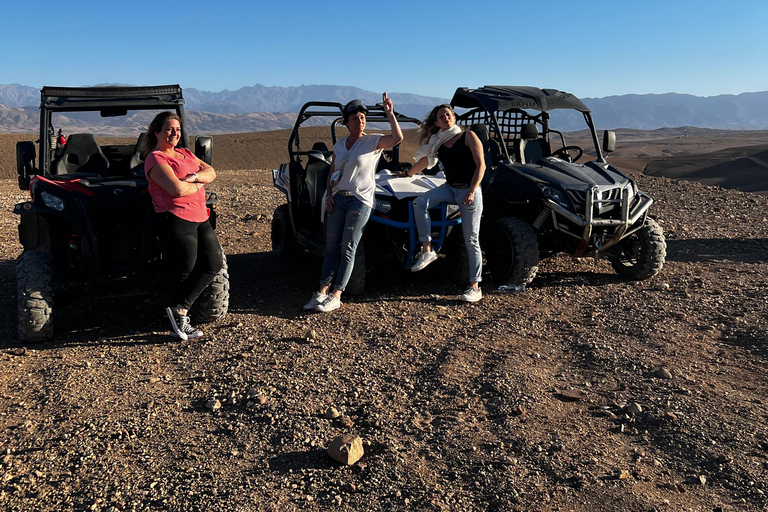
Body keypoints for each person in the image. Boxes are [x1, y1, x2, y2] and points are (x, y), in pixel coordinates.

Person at [304, 93, 403, 313]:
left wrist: (389, 113)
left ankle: (336, 294)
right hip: (338, 199)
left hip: (360, 201)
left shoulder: (372, 141)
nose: (360, 121)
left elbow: (397, 138)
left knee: (348, 246)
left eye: (363, 117)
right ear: (346, 122)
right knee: (331, 246)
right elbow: (333, 171)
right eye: (355, 118)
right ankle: (321, 292)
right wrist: (329, 195)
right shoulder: (340, 145)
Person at [143, 112, 224, 339]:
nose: (174, 133)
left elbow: (211, 172)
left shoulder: (185, 152)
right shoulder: (156, 158)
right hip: (176, 216)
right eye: (169, 129)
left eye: (177, 130)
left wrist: (193, 179)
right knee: (184, 268)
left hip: (200, 216)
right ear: (157, 132)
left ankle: (179, 308)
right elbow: (176, 190)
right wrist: (198, 182)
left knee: (213, 263)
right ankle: (177, 319)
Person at [401, 104, 486, 302]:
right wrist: (407, 173)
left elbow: (481, 165)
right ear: (437, 122)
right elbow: (425, 162)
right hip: (450, 188)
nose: (445, 117)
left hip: (469, 190)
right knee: (419, 203)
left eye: (448, 114)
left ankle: (475, 286)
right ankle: (427, 250)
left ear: (454, 117)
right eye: (441, 116)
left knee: (471, 240)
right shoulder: (437, 142)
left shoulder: (468, 136)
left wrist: (472, 190)